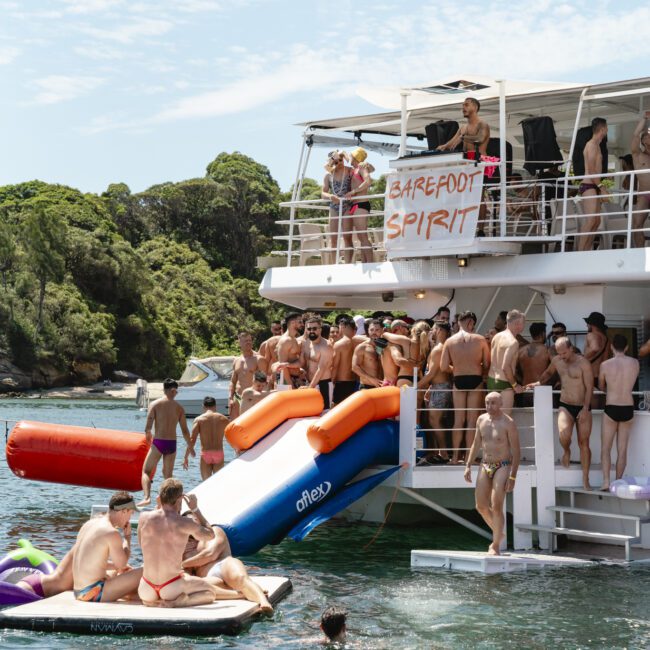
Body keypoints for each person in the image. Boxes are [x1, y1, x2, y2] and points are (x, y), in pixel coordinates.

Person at [138, 478, 219, 607]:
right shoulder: (185, 523)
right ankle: (179, 602)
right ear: (180, 499)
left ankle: (151, 601)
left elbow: (140, 544)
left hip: (146, 587)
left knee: (150, 597)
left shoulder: (144, 518)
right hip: (171, 586)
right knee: (210, 593)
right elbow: (210, 535)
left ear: (160, 497)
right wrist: (195, 509)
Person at [527, 336, 594, 490]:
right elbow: (547, 374)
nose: (562, 356)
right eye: (559, 353)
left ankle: (585, 478)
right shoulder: (557, 361)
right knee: (563, 435)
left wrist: (585, 408)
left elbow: (590, 387)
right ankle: (566, 450)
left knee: (584, 443)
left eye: (564, 353)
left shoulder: (583, 363)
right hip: (565, 404)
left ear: (571, 348)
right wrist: (537, 383)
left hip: (583, 405)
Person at [464, 392, 520, 556]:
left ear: (501, 403)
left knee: (496, 505)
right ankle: (499, 532)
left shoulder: (508, 423)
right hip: (485, 464)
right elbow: (476, 443)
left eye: (493, 403)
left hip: (502, 465)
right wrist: (468, 465)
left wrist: (513, 476)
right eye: (487, 403)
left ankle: (495, 545)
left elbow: (516, 452)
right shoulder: (481, 419)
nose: (489, 406)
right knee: (480, 506)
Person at [182, 512, 273, 612]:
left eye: (193, 519)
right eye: (188, 521)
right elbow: (187, 573)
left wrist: (183, 563)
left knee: (241, 578)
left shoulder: (215, 531)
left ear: (199, 520)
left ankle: (263, 601)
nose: (192, 523)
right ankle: (241, 594)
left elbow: (211, 554)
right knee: (196, 586)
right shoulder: (184, 544)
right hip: (209, 577)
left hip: (223, 564)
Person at [72, 491, 142, 602]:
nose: (130, 517)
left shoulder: (89, 524)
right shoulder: (111, 532)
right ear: (123, 511)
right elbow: (121, 564)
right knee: (144, 571)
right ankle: (136, 595)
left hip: (77, 591)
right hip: (92, 593)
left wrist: (116, 567)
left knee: (115, 572)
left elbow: (91, 562)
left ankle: (130, 595)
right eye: (131, 513)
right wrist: (127, 538)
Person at [441, 311, 491, 464]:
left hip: (458, 379)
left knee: (458, 420)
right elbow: (487, 364)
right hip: (475, 379)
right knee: (471, 420)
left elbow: (443, 367)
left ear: (459, 322)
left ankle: (455, 458)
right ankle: (469, 457)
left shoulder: (449, 341)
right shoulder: (480, 340)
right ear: (471, 322)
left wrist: (456, 369)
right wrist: (477, 368)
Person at [138, 378, 192, 507]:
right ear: (173, 391)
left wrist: (147, 433)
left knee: (146, 471)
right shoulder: (179, 408)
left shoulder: (155, 404)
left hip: (159, 443)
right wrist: (190, 446)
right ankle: (165, 504)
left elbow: (149, 424)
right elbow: (185, 430)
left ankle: (147, 498)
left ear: (164, 389)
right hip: (172, 444)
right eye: (176, 391)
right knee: (167, 476)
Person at [599, 334, 639, 490]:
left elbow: (601, 386)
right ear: (627, 347)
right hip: (628, 407)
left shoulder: (605, 365)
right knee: (622, 450)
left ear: (611, 347)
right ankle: (618, 483)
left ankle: (606, 482)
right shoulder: (635, 363)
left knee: (606, 448)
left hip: (612, 407)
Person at [418, 322, 452, 463]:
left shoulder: (439, 349)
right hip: (437, 387)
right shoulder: (440, 348)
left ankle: (443, 453)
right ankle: (440, 452)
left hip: (440, 387)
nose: (431, 332)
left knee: (434, 420)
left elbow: (432, 373)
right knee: (433, 420)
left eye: (432, 329)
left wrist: (415, 387)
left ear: (438, 330)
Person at [577, 117, 608, 251]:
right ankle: (579, 252)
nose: (607, 130)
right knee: (590, 221)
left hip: (593, 186)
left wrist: (601, 187)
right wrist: (602, 188)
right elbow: (591, 169)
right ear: (602, 129)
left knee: (596, 221)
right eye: (606, 128)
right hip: (589, 186)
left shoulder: (597, 144)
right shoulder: (591, 145)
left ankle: (586, 249)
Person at [487, 309, 525, 413]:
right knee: (504, 420)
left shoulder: (496, 337)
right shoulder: (513, 342)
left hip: (491, 380)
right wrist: (515, 385)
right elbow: (505, 366)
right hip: (505, 382)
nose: (524, 325)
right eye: (523, 323)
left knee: (493, 418)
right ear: (518, 324)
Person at [183, 396, 229, 480]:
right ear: (215, 406)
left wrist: (186, 457)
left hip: (205, 454)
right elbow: (231, 436)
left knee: (206, 484)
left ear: (203, 406)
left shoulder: (199, 420)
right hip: (218, 452)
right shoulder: (224, 419)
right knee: (218, 483)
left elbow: (192, 439)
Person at [321, 150, 354, 264]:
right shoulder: (328, 175)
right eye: (336, 161)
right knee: (333, 239)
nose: (339, 162)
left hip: (348, 206)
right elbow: (323, 193)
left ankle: (348, 264)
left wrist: (344, 155)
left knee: (347, 237)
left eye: (341, 159)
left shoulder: (350, 171)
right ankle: (334, 265)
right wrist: (330, 196)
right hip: (334, 206)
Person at [346, 146, 375, 263]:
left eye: (352, 156)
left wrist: (354, 191)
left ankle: (371, 263)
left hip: (361, 204)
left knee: (363, 236)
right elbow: (372, 168)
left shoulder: (361, 168)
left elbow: (368, 181)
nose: (350, 157)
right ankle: (365, 262)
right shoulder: (355, 169)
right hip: (355, 205)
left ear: (356, 157)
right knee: (360, 237)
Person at [301, 315, 334, 409]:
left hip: (323, 384)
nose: (311, 331)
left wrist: (310, 388)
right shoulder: (306, 343)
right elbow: (303, 363)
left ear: (320, 329)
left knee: (324, 413)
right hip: (309, 383)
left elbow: (321, 369)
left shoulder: (326, 346)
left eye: (314, 328)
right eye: (309, 329)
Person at [331, 316, 365, 405]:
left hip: (341, 383)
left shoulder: (339, 344)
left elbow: (335, 366)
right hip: (355, 382)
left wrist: (331, 382)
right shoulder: (359, 342)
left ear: (343, 326)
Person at [229, 332, 262, 420]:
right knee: (235, 425)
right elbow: (233, 381)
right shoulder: (236, 360)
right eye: (245, 341)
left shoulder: (258, 359)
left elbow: (264, 380)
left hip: (251, 398)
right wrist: (230, 398)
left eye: (250, 340)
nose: (248, 342)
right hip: (237, 397)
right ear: (239, 342)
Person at [517, 322, 550, 405]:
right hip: (542, 390)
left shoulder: (521, 351)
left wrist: (521, 381)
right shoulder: (547, 351)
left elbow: (512, 370)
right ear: (543, 334)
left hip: (526, 389)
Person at [631, 111, 650, 248]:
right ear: (643, 141)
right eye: (647, 136)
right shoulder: (638, 155)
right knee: (637, 224)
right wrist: (644, 119)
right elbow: (635, 135)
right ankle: (639, 252)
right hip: (644, 194)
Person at [274, 312, 306, 388]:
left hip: (294, 379)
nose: (302, 324)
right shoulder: (286, 340)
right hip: (286, 380)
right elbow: (282, 366)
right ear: (292, 323)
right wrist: (291, 385)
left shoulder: (293, 339)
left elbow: (294, 361)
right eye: (300, 322)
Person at [351, 319, 384, 388]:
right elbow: (354, 367)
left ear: (382, 330)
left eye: (377, 330)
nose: (374, 332)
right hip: (367, 385)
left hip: (382, 386)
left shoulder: (385, 347)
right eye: (371, 330)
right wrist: (372, 379)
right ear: (368, 331)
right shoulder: (362, 347)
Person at [583, 311, 611, 388]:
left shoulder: (591, 335)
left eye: (588, 323)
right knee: (601, 399)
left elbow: (595, 348)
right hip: (603, 376)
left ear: (592, 325)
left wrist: (581, 359)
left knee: (590, 399)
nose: (586, 325)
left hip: (591, 376)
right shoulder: (606, 339)